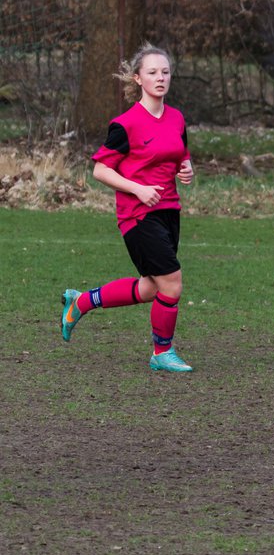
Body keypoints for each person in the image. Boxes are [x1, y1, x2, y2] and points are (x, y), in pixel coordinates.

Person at [60, 44, 196, 373]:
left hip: (168, 211)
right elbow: (100, 170)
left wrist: (186, 169)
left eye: (165, 72)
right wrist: (137, 188)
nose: (160, 77)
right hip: (137, 216)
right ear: (138, 79)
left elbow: (180, 153)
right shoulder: (126, 124)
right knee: (172, 283)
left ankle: (81, 301)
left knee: (152, 287)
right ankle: (161, 353)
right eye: (152, 72)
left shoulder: (176, 118)